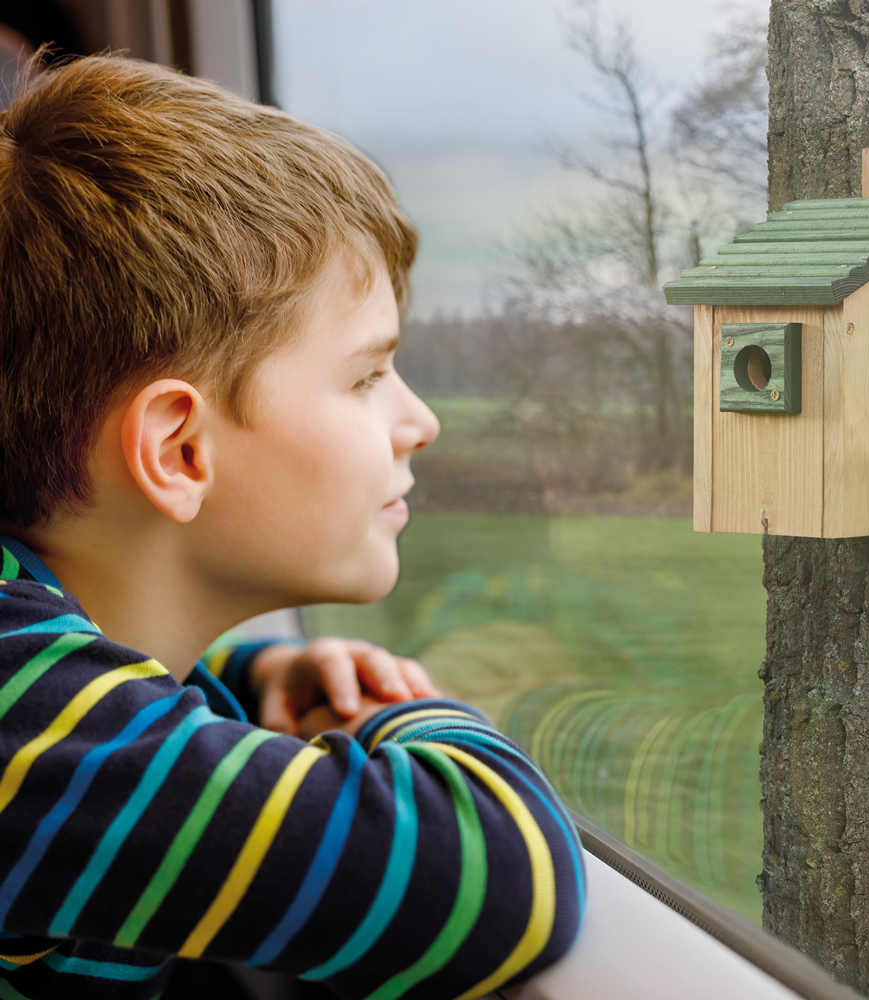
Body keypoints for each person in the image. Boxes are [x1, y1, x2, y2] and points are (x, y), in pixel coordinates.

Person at [0, 53, 585, 1000]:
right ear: (181, 450)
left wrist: (247, 679)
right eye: (364, 377)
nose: (420, 421)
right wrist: (404, 715)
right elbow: (497, 880)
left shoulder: (46, 705)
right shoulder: (23, 730)